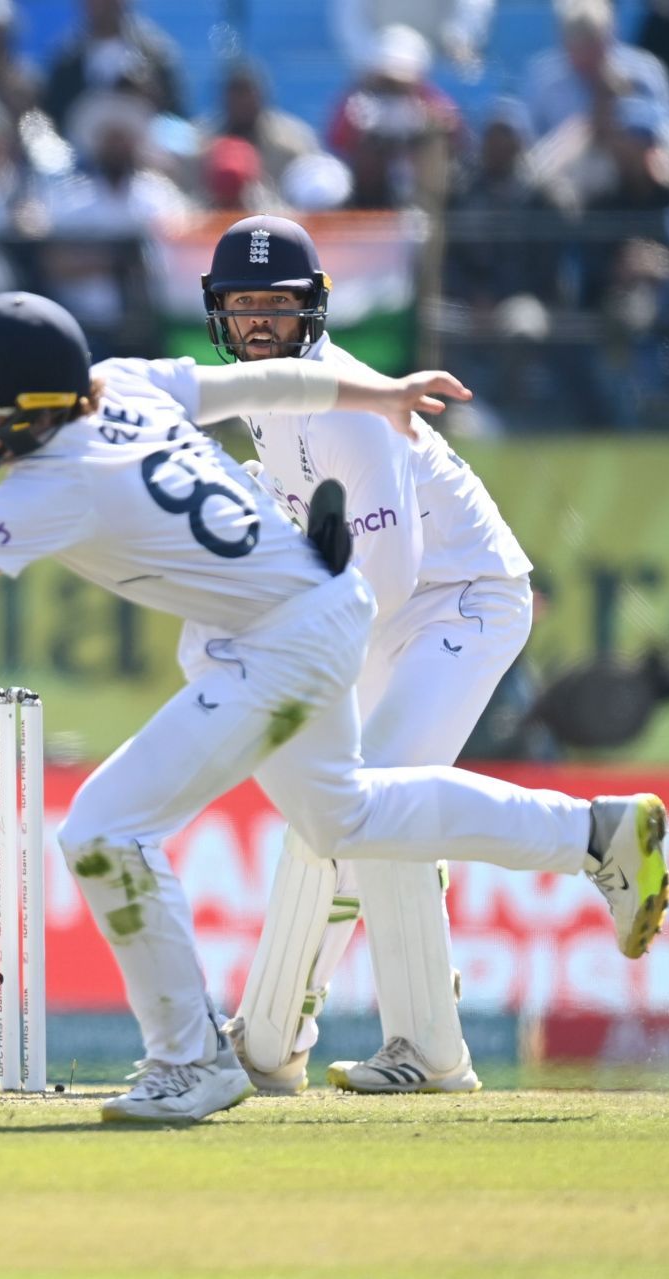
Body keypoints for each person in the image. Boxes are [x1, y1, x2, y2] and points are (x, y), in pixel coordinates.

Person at [0, 290, 669, 1124]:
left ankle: (191, 1058)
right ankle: (596, 832)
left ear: (36, 406)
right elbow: (274, 376)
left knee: (103, 826)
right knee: (345, 819)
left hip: (283, 639)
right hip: (310, 610)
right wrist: (381, 388)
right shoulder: (125, 384)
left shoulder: (53, 484)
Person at [201, 214, 536, 1095]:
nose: (260, 322)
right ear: (219, 315)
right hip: (385, 611)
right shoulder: (259, 400)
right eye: (244, 306)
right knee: (338, 814)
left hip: (459, 598)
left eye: (278, 305)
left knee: (375, 802)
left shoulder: (341, 403)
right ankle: (269, 1042)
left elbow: (387, 573)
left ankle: (428, 1052)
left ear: (313, 310)